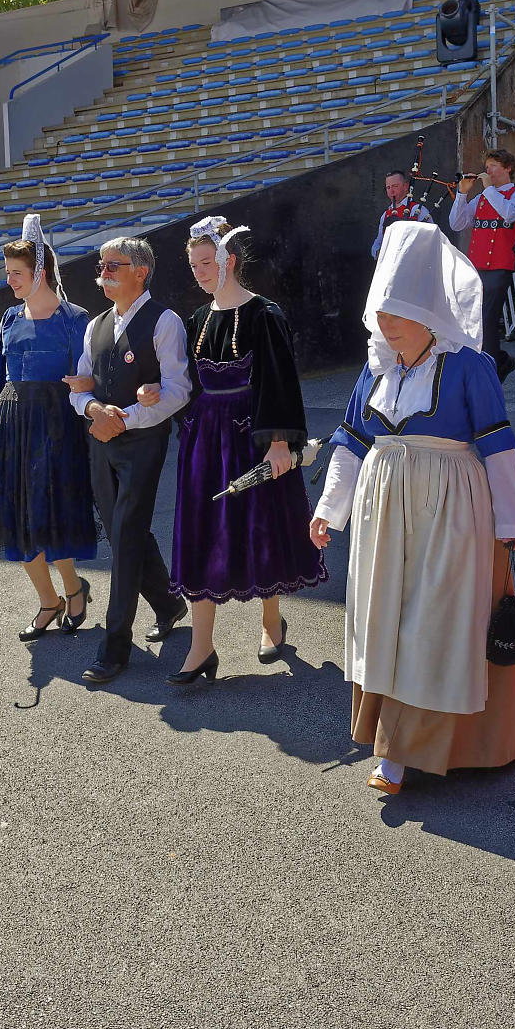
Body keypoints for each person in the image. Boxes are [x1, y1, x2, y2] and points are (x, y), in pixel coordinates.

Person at [310, 221, 515, 795]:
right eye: (381, 313)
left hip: (451, 510)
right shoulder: (375, 368)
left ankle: (415, 749)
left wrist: (511, 521)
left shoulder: (469, 366)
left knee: (436, 621)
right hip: (383, 510)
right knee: (386, 615)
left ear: (430, 310)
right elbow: (352, 441)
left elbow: (497, 444)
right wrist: (329, 510)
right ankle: (392, 740)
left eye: (399, 313)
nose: (387, 326)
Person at [165, 217, 326, 683]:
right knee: (201, 532)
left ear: (227, 260)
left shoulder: (264, 315)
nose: (197, 272)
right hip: (203, 441)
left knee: (262, 526)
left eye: (204, 262)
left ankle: (271, 619)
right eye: (192, 264)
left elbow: (279, 381)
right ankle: (201, 648)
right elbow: (190, 384)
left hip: (250, 436)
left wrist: (279, 442)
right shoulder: (198, 319)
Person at [67, 238, 193, 685]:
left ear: (141, 272)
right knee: (129, 531)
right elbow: (78, 385)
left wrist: (127, 418)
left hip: (141, 444)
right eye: (101, 265)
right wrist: (91, 410)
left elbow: (178, 390)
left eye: (113, 265)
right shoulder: (95, 325)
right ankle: (168, 603)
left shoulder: (165, 322)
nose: (103, 271)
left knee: (123, 538)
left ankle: (115, 646)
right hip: (100, 441)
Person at [0, 215, 97, 640]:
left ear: (39, 272)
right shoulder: (8, 319)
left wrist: (95, 397)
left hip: (59, 427)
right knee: (16, 518)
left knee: (53, 516)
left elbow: (92, 373)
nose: (10, 281)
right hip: (13, 427)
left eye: (16, 274)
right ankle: (48, 602)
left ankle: (74, 589)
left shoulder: (74, 318)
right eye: (7, 273)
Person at [449, 148, 515, 380]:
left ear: (508, 168)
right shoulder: (484, 196)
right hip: (476, 265)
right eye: (487, 166)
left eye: (493, 165)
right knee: (478, 318)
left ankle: (491, 368)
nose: (488, 170)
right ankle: (500, 361)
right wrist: (462, 195)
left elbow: (508, 214)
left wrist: (488, 188)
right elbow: (456, 223)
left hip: (500, 265)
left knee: (487, 316)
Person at [373, 170, 433, 259]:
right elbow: (378, 241)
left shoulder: (417, 210)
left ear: (406, 186)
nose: (391, 191)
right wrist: (378, 252)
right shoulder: (385, 214)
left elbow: (430, 240)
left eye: (395, 186)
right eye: (388, 188)